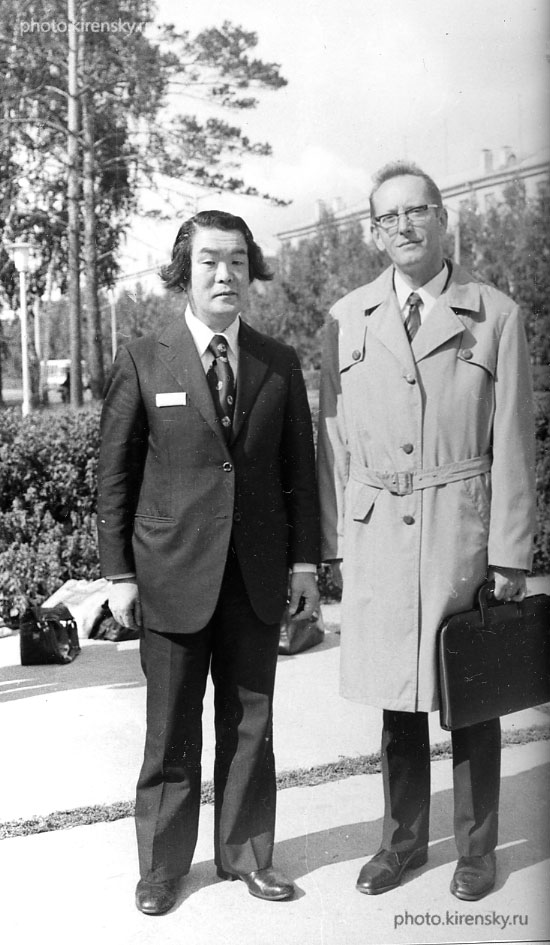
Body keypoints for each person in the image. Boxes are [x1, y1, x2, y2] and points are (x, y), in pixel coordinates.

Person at [317, 161, 536, 902]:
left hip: (460, 531)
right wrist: (336, 544)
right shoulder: (346, 318)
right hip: (380, 532)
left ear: (442, 219)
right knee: (397, 698)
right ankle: (401, 843)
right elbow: (333, 443)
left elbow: (514, 443)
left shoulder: (495, 315)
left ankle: (477, 850)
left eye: (418, 211)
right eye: (389, 217)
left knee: (472, 693)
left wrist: (510, 553)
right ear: (374, 232)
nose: (404, 226)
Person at [97, 209, 320, 915]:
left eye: (237, 261)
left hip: (255, 574)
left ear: (251, 271)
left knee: (251, 720)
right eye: (209, 262)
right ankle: (161, 867)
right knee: (170, 728)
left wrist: (305, 566)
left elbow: (300, 472)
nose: (226, 275)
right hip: (169, 575)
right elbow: (114, 476)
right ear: (183, 273)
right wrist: (119, 575)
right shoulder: (143, 357)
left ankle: (248, 854)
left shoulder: (278, 361)